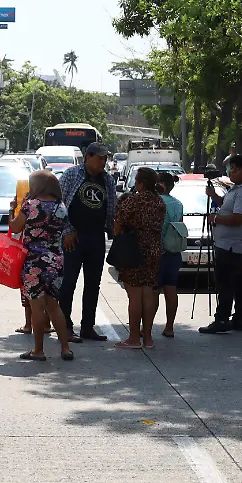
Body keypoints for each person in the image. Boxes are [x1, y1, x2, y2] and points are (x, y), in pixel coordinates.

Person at [9, 169, 74, 361]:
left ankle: (38, 350)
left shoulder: (31, 205)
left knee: (36, 306)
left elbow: (15, 227)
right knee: (54, 306)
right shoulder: (60, 206)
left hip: (34, 261)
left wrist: (12, 209)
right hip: (56, 261)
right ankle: (65, 348)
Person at [58, 142, 117, 343]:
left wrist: (114, 230)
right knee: (68, 282)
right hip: (73, 237)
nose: (103, 162)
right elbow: (59, 205)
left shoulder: (107, 180)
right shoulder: (71, 174)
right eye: (100, 158)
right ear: (88, 156)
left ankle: (87, 327)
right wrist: (67, 230)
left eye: (105, 159)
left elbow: (111, 209)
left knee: (93, 284)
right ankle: (65, 326)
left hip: (96, 237)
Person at [200, 154, 242, 334]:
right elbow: (227, 206)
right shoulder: (237, 188)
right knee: (239, 282)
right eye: (231, 168)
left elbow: (238, 218)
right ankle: (239, 319)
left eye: (236, 169)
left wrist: (215, 218)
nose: (232, 171)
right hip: (231, 243)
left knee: (225, 282)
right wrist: (215, 196)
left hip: (233, 244)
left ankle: (222, 318)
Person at [113, 167, 166, 349]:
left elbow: (119, 221)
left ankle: (134, 338)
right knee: (148, 292)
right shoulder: (159, 202)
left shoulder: (134, 200)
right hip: (154, 249)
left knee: (134, 295)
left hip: (134, 249)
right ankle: (148, 338)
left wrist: (118, 233)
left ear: (141, 184)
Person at [156, 171, 184, 338]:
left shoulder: (156, 202)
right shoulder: (178, 204)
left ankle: (146, 328)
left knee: (153, 291)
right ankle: (169, 326)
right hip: (173, 251)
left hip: (157, 251)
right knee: (171, 289)